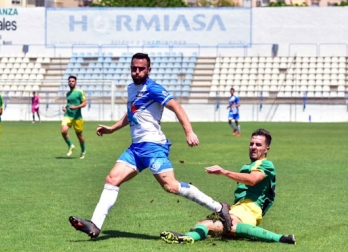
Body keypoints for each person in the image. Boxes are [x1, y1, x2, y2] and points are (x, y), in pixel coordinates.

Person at [68, 52, 232, 239]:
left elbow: (177, 107)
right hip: (136, 149)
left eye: (141, 69)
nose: (137, 72)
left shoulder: (153, 88)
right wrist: (112, 129)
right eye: (134, 68)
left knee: (171, 186)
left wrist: (189, 132)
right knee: (112, 179)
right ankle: (95, 224)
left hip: (153, 146)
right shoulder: (131, 88)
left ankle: (220, 207)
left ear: (149, 70)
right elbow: (132, 112)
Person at [161, 128, 295, 245]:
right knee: (207, 225)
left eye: (258, 145)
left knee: (216, 225)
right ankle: (188, 238)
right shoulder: (246, 167)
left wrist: (224, 172)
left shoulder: (266, 165)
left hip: (250, 209)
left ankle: (280, 238)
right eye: (251, 143)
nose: (253, 147)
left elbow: (253, 180)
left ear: (267, 149)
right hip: (240, 208)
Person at [61, 75, 86, 159]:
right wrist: (65, 108)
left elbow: (84, 103)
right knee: (63, 131)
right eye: (69, 81)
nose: (71, 82)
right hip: (68, 115)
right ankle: (71, 145)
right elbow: (68, 103)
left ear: (76, 82)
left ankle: (83, 151)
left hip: (77, 117)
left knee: (79, 135)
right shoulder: (67, 93)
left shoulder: (79, 92)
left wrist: (76, 107)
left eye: (72, 81)